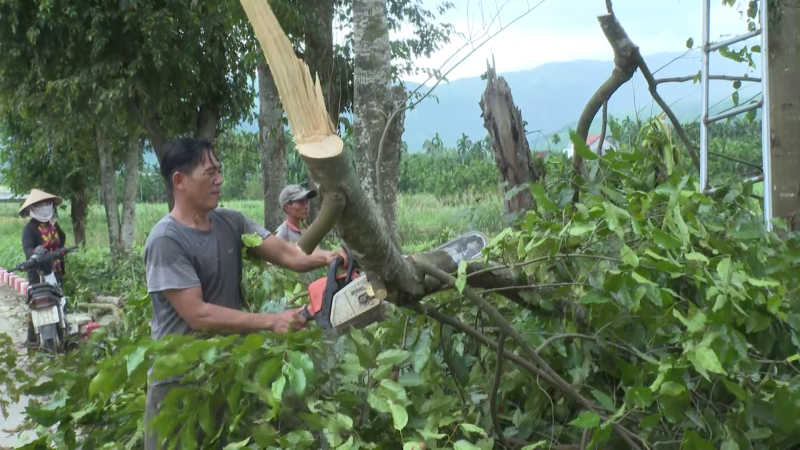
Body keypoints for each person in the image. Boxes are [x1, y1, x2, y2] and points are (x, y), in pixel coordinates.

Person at [143, 137, 348, 450]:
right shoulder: (166, 240)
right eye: (209, 173)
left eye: (219, 171)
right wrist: (270, 321)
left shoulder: (230, 221)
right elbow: (198, 315)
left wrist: (328, 256)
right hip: (180, 381)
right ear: (179, 181)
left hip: (226, 370)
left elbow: (290, 254)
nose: (220, 180)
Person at [19, 189, 67, 348]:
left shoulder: (53, 224)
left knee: (59, 301)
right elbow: (27, 248)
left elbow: (62, 240)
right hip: (37, 272)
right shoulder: (30, 229)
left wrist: (62, 251)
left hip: (56, 269)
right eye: (40, 204)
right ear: (33, 208)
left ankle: (63, 332)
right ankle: (32, 338)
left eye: (47, 203)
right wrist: (35, 252)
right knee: (37, 303)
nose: (45, 206)